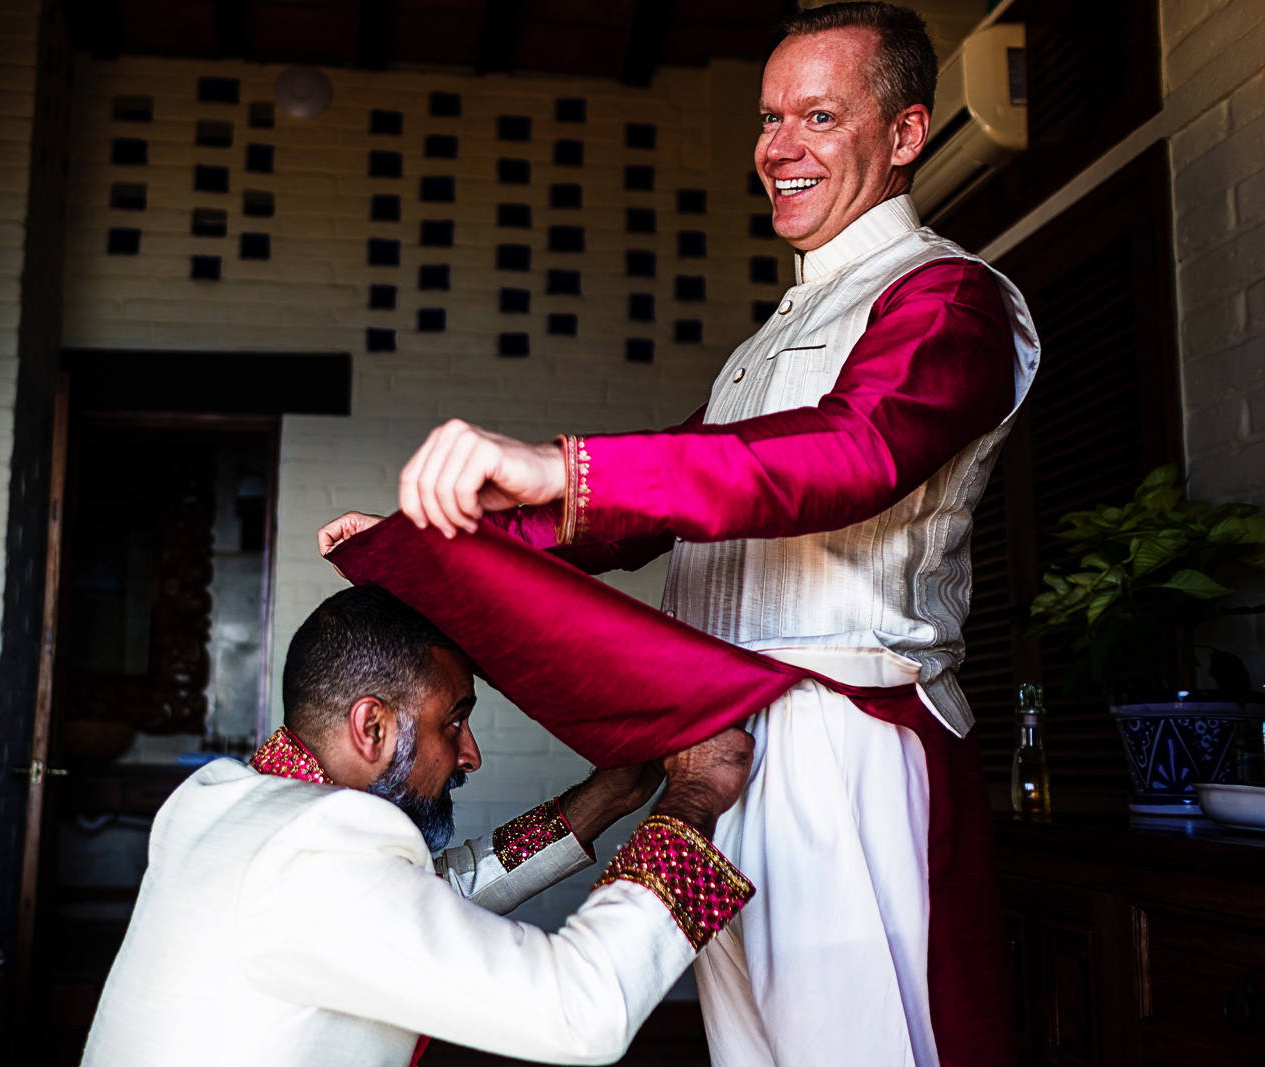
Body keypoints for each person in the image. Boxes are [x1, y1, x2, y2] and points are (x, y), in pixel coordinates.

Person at [319, 5, 1040, 1066]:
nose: (777, 148)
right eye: (766, 117)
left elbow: (852, 455)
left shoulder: (952, 299)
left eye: (819, 115)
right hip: (721, 743)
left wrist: (562, 464)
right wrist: (443, 534)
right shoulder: (766, 341)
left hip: (841, 742)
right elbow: (646, 514)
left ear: (904, 133)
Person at [81, 586, 758, 1067]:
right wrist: (693, 798)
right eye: (452, 720)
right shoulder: (311, 858)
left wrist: (606, 799)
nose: (469, 754)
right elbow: (582, 1011)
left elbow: (432, 895)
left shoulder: (222, 801)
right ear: (370, 725)